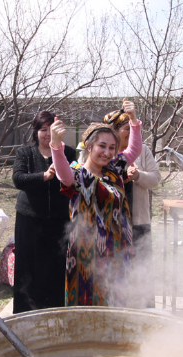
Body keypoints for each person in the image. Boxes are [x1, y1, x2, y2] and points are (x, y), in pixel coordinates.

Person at [50, 99, 143, 307]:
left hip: (118, 249)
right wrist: (56, 146)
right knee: (88, 302)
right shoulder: (78, 173)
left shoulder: (114, 169)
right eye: (102, 146)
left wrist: (134, 120)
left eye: (112, 147)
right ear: (89, 146)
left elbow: (134, 149)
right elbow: (63, 175)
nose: (107, 152)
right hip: (87, 254)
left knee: (117, 300)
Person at [11, 111, 76, 313]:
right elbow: (18, 179)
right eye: (43, 130)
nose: (47, 134)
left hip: (59, 220)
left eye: (52, 130)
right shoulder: (25, 153)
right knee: (28, 267)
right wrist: (44, 176)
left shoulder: (69, 153)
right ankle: (24, 313)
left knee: (56, 266)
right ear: (36, 131)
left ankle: (55, 311)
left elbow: (73, 180)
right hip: (29, 219)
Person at [105, 109, 161, 308]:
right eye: (125, 129)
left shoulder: (141, 150)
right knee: (117, 274)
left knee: (142, 269)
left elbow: (155, 179)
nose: (129, 133)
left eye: (131, 128)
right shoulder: (105, 151)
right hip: (113, 226)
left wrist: (138, 176)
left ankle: (145, 313)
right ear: (115, 130)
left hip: (138, 222)